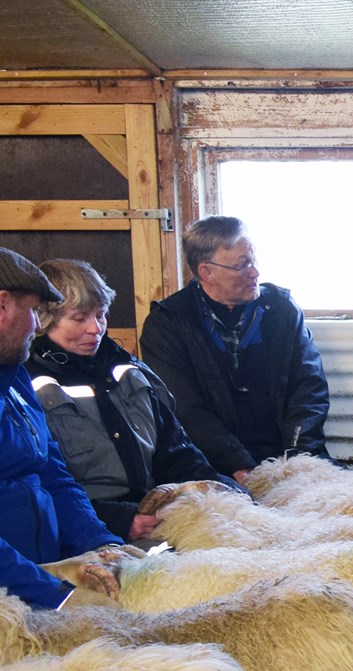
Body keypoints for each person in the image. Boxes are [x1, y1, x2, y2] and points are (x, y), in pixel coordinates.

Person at [27, 259, 244, 542]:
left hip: (152, 514)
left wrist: (227, 491)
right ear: (45, 320)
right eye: (79, 318)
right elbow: (42, 485)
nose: (95, 328)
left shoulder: (128, 371)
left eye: (101, 315)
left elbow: (176, 453)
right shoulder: (26, 386)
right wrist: (117, 520)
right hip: (88, 531)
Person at [138, 216, 331, 482]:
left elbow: (309, 387)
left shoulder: (282, 309)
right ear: (207, 272)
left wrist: (298, 456)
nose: (255, 273)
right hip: (211, 462)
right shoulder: (168, 323)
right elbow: (184, 408)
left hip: (290, 454)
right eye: (242, 265)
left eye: (253, 260)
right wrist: (237, 465)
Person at [0, 248, 126, 610]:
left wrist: (103, 545)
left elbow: (53, 475)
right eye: (34, 311)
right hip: (18, 596)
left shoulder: (15, 378)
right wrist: (56, 597)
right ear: (3, 304)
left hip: (46, 577)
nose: (37, 326)